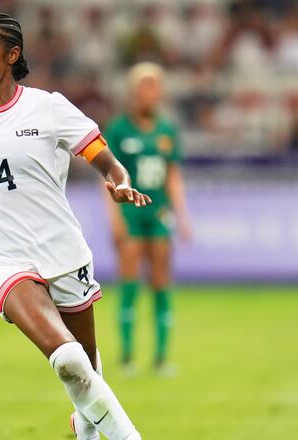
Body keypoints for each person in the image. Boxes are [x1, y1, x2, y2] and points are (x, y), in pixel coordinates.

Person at [0, 13, 146, 440]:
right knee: (69, 361)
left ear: (11, 55)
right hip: (3, 263)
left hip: (64, 254)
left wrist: (120, 182)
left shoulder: (48, 107)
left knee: (86, 375)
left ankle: (85, 425)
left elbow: (105, 160)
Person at [104, 62, 191, 376]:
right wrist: (113, 216)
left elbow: (173, 176)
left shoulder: (167, 130)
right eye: (145, 86)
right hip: (129, 212)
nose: (151, 93)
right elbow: (109, 178)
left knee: (160, 281)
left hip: (159, 213)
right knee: (129, 282)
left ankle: (161, 357)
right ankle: (127, 356)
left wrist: (183, 217)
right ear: (133, 91)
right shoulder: (118, 129)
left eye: (156, 86)